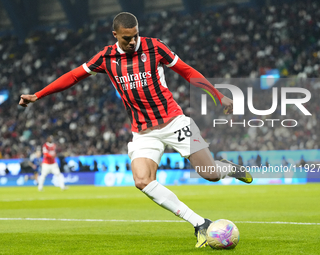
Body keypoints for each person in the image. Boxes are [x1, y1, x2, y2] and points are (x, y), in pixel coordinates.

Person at [19, 12, 252, 248]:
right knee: (142, 181)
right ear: (115, 35)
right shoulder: (106, 57)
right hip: (143, 132)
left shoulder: (155, 47)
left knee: (209, 174)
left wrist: (218, 95)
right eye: (126, 38)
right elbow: (73, 76)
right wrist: (38, 95)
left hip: (174, 122)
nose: (132, 42)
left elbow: (187, 71)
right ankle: (199, 224)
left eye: (135, 36)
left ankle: (229, 168)